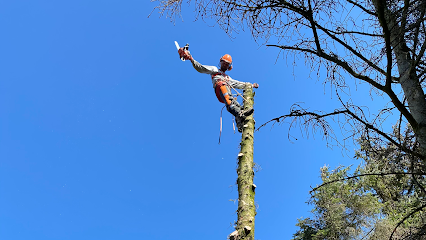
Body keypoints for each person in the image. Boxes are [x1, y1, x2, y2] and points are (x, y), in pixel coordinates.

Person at [178, 48, 259, 132]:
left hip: (228, 92)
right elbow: (201, 68)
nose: (224, 65)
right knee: (229, 100)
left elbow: (238, 83)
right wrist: (191, 59)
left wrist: (251, 85)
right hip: (221, 87)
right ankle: (239, 114)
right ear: (220, 62)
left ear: (229, 66)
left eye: (227, 64)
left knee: (237, 105)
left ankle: (241, 122)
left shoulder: (228, 78)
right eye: (223, 62)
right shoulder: (215, 70)